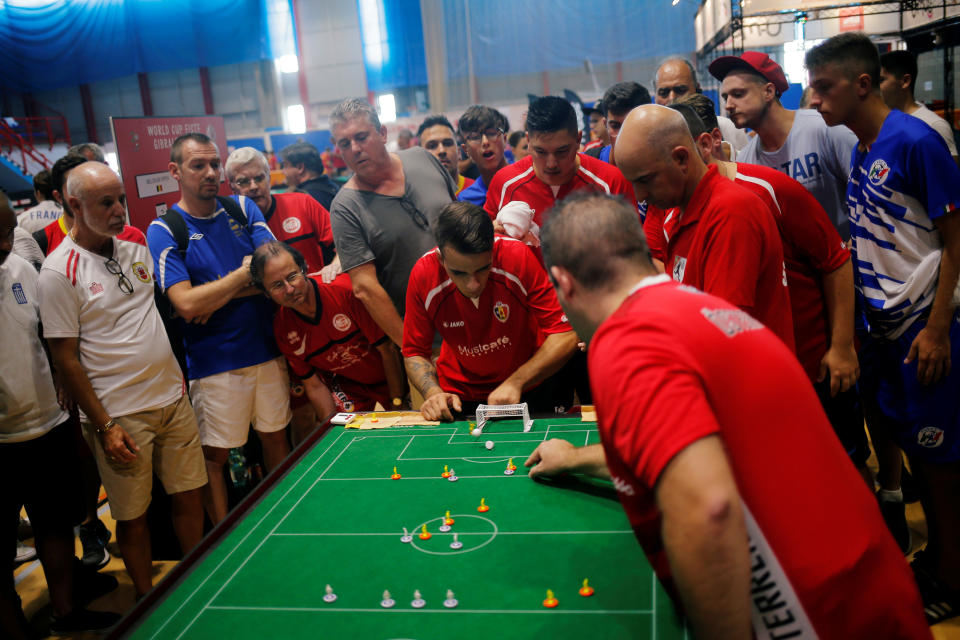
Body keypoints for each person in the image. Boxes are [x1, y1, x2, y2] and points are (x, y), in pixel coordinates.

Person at [528, 191, 931, 640]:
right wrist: (575, 458)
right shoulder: (704, 308)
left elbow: (709, 509)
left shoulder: (626, 339)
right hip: (875, 589)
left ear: (563, 281)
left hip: (812, 611)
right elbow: (693, 448)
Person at [807, 32, 960, 623]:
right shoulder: (861, 148)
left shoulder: (916, 140)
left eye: (825, 87)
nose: (815, 101)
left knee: (942, 458)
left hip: (926, 326)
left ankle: (951, 574)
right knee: (917, 448)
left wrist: (940, 327)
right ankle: (942, 555)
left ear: (862, 84)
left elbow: (956, 237)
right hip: (888, 328)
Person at [664, 96, 873, 486]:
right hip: (758, 379)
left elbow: (835, 260)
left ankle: (881, 529)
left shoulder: (768, 187)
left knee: (842, 467)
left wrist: (841, 347)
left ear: (704, 145)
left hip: (814, 362)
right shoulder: (675, 208)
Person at [39, 162, 207, 600]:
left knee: (189, 495)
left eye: (121, 200)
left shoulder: (135, 245)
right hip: (121, 415)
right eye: (106, 203)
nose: (119, 211)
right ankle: (147, 600)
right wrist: (105, 425)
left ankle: (201, 583)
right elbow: (65, 359)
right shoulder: (58, 271)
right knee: (133, 515)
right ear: (74, 204)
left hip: (173, 398)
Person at [147, 133, 290, 525]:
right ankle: (223, 539)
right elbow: (186, 304)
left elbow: (276, 272)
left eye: (214, 164)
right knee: (216, 455)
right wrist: (245, 274)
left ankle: (283, 520)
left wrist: (215, 294)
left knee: (276, 438)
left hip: (266, 347)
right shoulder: (165, 228)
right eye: (198, 166)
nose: (210, 173)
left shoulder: (242, 207)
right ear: (175, 171)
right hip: (214, 363)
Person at [1, 194, 121, 636]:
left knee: (54, 526)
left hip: (45, 427)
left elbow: (43, 334)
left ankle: (67, 611)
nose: (5, 242)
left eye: (7, 231)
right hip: (2, 441)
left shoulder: (21, 266)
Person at [618, 104, 795, 349]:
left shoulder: (730, 213)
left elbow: (723, 334)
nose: (639, 196)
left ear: (681, 158)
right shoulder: (679, 212)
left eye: (645, 180)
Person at [403, 202, 577, 421]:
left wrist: (517, 381)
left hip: (530, 385)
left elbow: (565, 333)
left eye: (482, 269)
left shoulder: (516, 256)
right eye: (459, 272)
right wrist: (433, 393)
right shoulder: (423, 275)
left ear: (493, 251)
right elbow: (414, 351)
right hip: (460, 395)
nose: (473, 284)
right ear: (441, 259)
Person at [328, 98, 456, 346]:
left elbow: (458, 213)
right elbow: (365, 288)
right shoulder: (345, 208)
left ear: (383, 133)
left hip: (479, 313)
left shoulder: (422, 158)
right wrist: (413, 349)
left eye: (362, 137)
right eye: (345, 143)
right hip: (429, 338)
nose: (355, 148)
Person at [250, 241, 407, 439]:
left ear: (304, 269)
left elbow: (388, 350)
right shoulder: (283, 328)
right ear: (266, 293)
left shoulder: (344, 291)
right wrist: (330, 425)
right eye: (277, 285)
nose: (290, 289)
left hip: (392, 378)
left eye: (292, 277)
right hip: (349, 389)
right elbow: (313, 385)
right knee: (342, 438)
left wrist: (397, 400)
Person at [709, 51, 858, 238]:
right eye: (725, 98)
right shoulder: (746, 159)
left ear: (768, 92)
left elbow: (869, 194)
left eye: (738, 94)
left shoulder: (825, 129)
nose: (729, 105)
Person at [484, 96, 634, 230]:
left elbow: (634, 254)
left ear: (577, 139)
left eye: (561, 152)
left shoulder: (612, 183)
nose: (551, 164)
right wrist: (491, 234)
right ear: (528, 141)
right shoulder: (504, 183)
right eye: (541, 152)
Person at [226, 146, 339, 279]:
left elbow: (345, 243)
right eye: (243, 181)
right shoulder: (228, 226)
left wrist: (335, 266)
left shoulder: (303, 203)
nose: (253, 187)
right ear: (232, 187)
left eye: (259, 178)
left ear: (269, 179)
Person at [653, 57, 749, 151]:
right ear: (655, 96)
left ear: (697, 89)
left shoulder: (728, 129)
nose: (672, 98)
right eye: (664, 93)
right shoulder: (649, 139)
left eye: (680, 90)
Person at [879, 49, 958, 163]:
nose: (876, 87)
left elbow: (949, 177)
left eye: (881, 80)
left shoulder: (934, 125)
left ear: (905, 81)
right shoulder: (884, 121)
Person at [456, 105, 511, 207]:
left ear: (505, 139)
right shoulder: (467, 200)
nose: (485, 142)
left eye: (491, 134)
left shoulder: (528, 176)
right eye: (475, 137)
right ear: (466, 150)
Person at [594, 82, 651, 165]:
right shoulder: (587, 165)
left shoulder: (664, 165)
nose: (623, 135)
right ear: (605, 124)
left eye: (632, 126)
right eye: (615, 126)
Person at [417, 115, 474, 196]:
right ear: (420, 157)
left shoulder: (479, 193)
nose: (442, 150)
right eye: (432, 146)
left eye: (447, 143)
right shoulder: (414, 199)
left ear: (458, 152)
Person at [279, 142, 341, 211]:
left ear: (300, 168)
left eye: (285, 166)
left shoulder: (306, 199)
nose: (282, 171)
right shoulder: (331, 186)